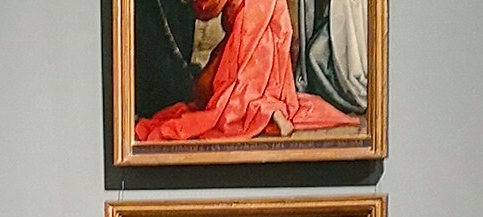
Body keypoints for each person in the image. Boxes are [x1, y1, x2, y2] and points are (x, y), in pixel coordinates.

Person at [135, 0, 356, 143]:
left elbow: (207, 8)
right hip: (270, 23)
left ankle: (266, 111)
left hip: (250, 27)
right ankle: (272, 109)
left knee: (229, 97)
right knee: (259, 80)